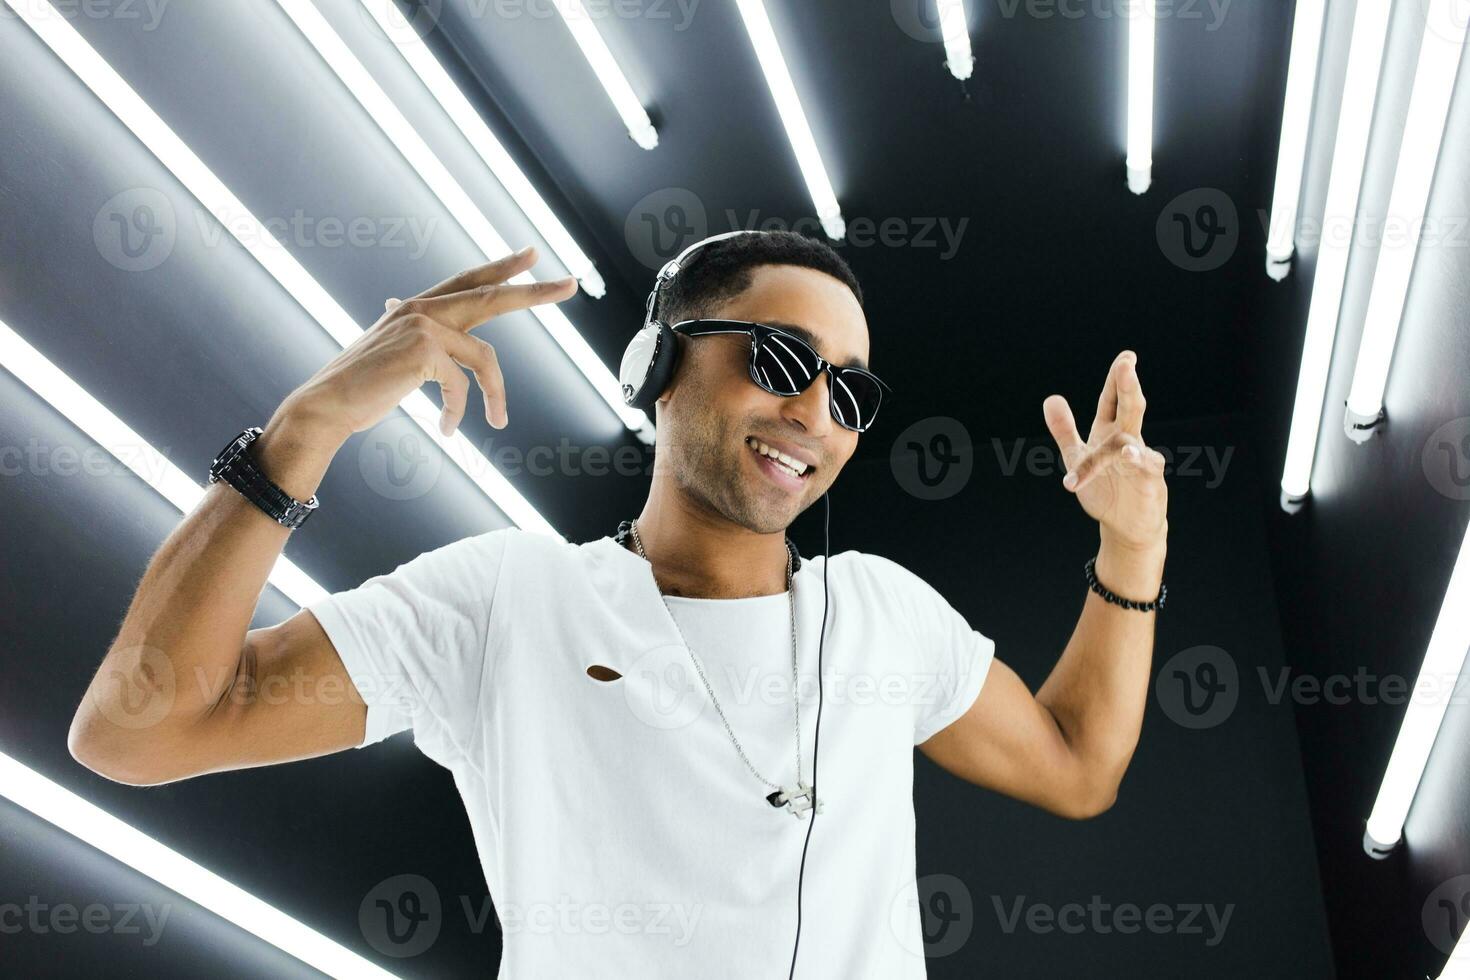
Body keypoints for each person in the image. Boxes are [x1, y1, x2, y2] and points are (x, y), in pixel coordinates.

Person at [67, 231, 1169, 977]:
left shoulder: (883, 612)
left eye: (851, 390)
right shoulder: (506, 597)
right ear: (658, 372)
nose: (815, 411)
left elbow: (1078, 763)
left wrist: (1134, 539)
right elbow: (139, 729)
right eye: (781, 357)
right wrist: (302, 432)